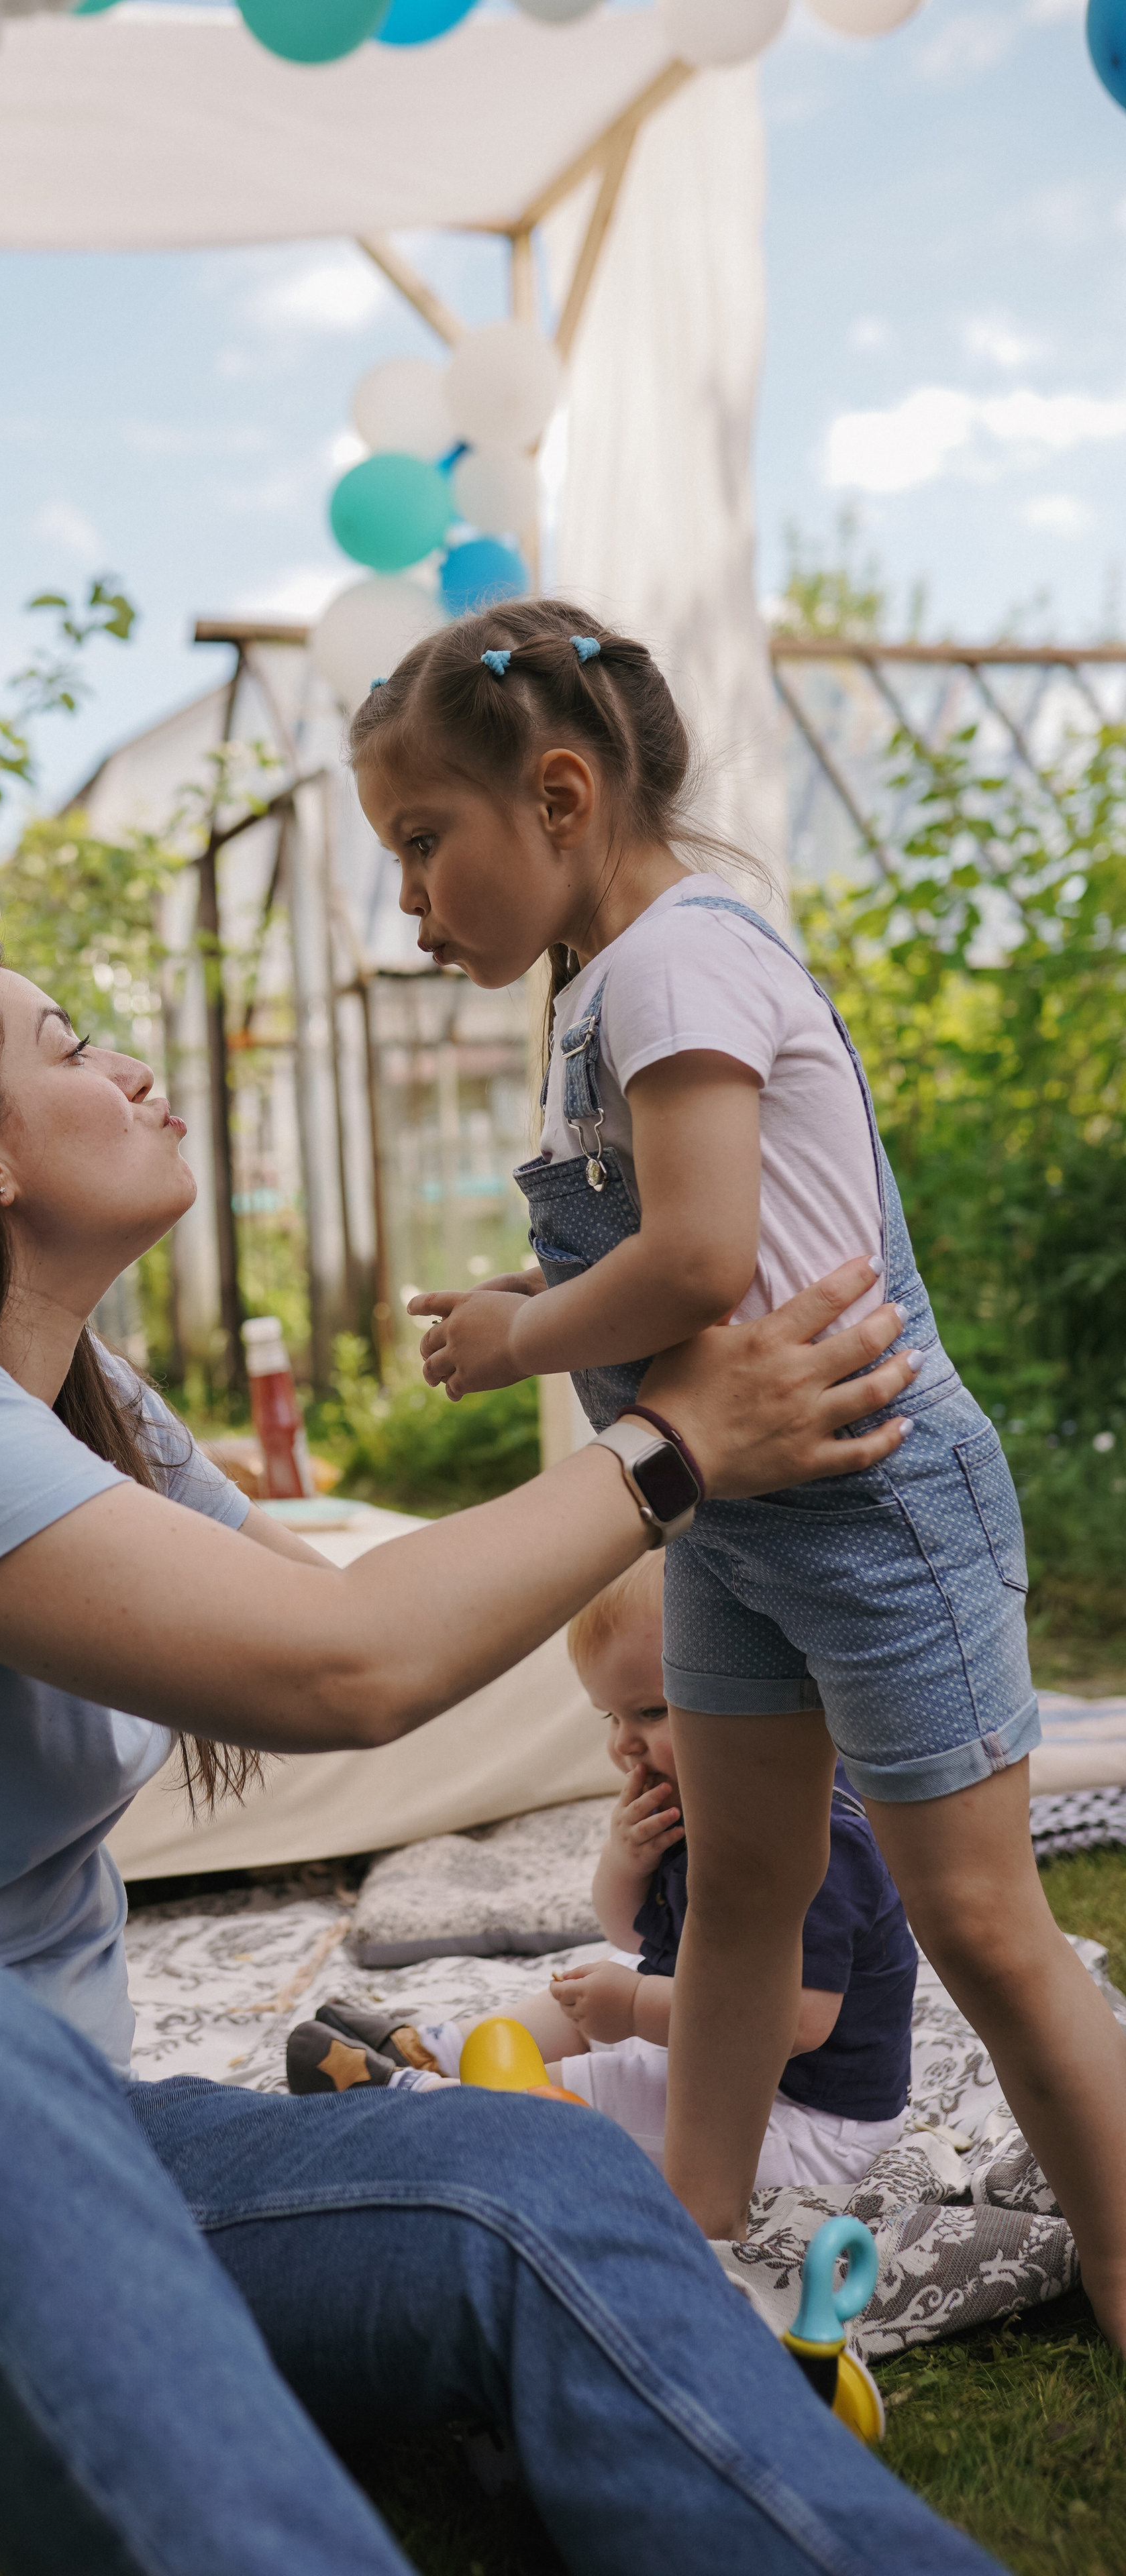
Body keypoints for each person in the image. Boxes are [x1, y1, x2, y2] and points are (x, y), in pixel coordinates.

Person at [0, 940, 999, 2576]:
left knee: (531, 2161)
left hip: (50, 2159)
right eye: (70, 1044)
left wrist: (691, 1530)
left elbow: (369, 1610)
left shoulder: (90, 1403)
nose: (134, 1069)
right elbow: (342, 1664)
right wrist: (671, 1445)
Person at [351, 597, 1126, 2337]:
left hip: (871, 1502)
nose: (406, 896)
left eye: (420, 840)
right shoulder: (604, 990)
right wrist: (537, 1299)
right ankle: (696, 2207)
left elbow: (700, 1262)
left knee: (979, 1915)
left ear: (560, 797)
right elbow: (670, 1247)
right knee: (743, 1890)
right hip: (729, 1525)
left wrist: (519, 1339)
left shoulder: (676, 962)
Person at [292, 1554, 918, 2200]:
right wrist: (627, 1862)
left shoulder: (817, 1834)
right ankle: (437, 2049)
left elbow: (796, 2024)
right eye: (610, 1717)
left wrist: (638, 2007)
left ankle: (425, 2105)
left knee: (591, 2097)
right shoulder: (695, 1796)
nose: (624, 1743)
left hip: (804, 2125)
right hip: (713, 2046)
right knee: (595, 1982)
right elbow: (632, 1935)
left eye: (650, 1711)